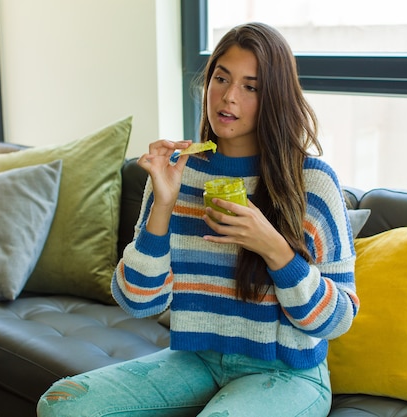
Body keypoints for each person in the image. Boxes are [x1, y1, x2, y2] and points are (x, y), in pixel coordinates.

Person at [37, 22, 359, 417]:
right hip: (197, 360)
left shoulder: (312, 182)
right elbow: (138, 302)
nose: (228, 97)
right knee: (61, 406)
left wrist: (273, 247)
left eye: (250, 86)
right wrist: (163, 204)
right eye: (221, 78)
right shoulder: (178, 172)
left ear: (274, 96)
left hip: (289, 374)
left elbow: (339, 318)